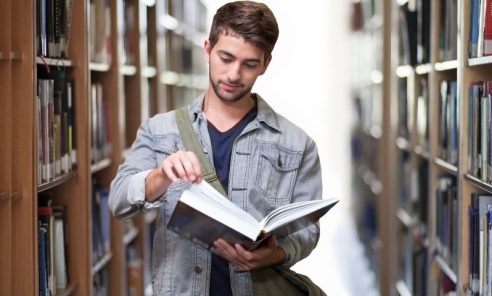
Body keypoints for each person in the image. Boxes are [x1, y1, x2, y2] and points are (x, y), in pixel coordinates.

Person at [109, 1, 324, 295]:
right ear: (208, 49)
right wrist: (160, 175)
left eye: (249, 64)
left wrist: (275, 254)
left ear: (266, 64)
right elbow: (118, 201)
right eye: (226, 57)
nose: (234, 75)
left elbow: (307, 230)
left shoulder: (297, 145)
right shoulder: (160, 131)